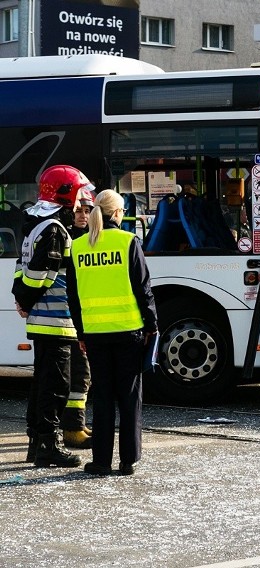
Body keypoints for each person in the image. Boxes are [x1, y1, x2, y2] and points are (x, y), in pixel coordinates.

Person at [67, 189, 158, 476]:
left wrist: (81, 332)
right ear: (118, 213)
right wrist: (152, 324)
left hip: (94, 334)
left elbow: (74, 296)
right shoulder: (128, 242)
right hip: (128, 331)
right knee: (130, 397)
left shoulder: (79, 247)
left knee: (103, 397)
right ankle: (128, 460)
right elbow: (143, 289)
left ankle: (101, 462)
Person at [12, 165, 94, 468]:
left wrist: (21, 299)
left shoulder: (37, 225)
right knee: (55, 386)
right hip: (56, 320)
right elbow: (40, 275)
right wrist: (26, 297)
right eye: (79, 197)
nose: (82, 204)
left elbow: (22, 268)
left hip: (41, 319)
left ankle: (37, 443)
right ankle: (48, 445)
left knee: (41, 383)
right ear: (66, 194)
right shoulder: (55, 230)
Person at [61, 188, 95, 449]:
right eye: (78, 211)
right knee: (79, 373)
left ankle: (76, 423)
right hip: (69, 316)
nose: (83, 216)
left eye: (87, 211)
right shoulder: (68, 239)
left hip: (81, 315)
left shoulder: (89, 238)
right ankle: (72, 428)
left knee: (81, 373)